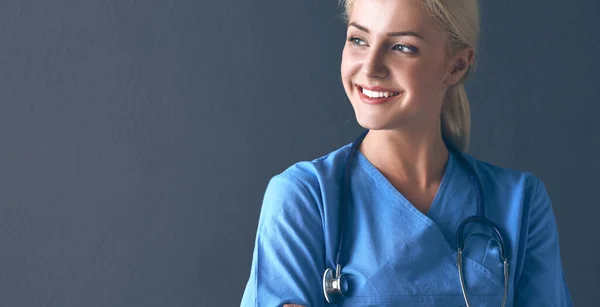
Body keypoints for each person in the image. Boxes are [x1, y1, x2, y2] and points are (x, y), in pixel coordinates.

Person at [241, 0, 573, 306]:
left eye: (402, 47)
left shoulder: (521, 204)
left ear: (456, 65)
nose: (371, 67)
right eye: (358, 40)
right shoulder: (305, 198)